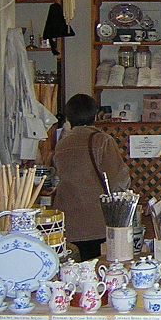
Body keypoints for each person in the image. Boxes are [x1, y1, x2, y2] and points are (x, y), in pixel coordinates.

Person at [53, 94, 130, 261]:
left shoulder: (61, 144)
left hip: (68, 222)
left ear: (69, 117)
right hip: (97, 220)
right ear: (95, 115)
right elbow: (118, 180)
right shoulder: (101, 140)